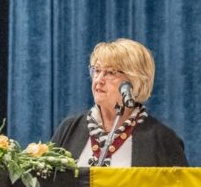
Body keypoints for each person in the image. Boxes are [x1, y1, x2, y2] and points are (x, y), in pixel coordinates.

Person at [52, 38, 187, 167]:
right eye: (97, 70)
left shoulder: (163, 140)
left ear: (135, 81)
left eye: (111, 72)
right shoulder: (70, 129)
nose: (99, 80)